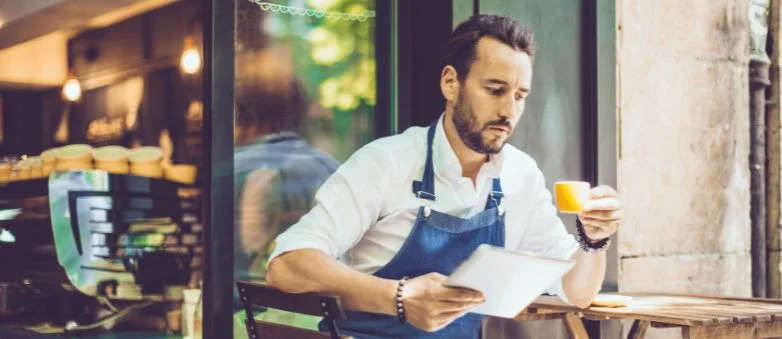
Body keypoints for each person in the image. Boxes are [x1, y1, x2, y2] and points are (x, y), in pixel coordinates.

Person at [266, 14, 623, 338]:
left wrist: (593, 240)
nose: (508, 110)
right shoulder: (387, 162)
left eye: (520, 96)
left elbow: (575, 290)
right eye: (495, 90)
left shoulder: (521, 175)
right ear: (451, 83)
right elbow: (288, 265)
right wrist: (398, 297)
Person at [233, 48, 340, 308]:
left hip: (247, 312)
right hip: (317, 317)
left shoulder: (234, 169)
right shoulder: (329, 167)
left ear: (243, 111)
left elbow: (246, 245)